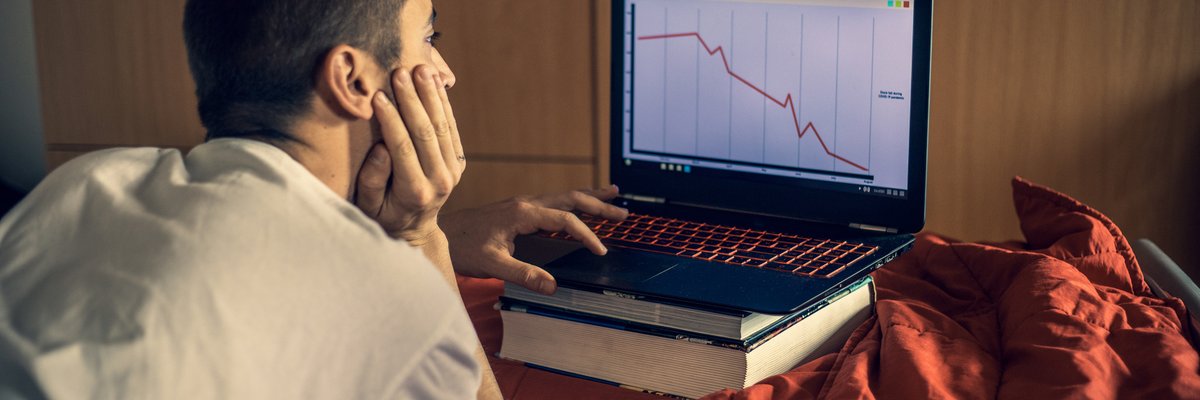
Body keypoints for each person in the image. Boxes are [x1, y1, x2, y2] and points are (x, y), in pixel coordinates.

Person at [0, 0, 627, 398]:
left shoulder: (86, 182)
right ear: (353, 80)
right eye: (429, 36)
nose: (446, 72)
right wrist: (421, 240)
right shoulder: (387, 295)